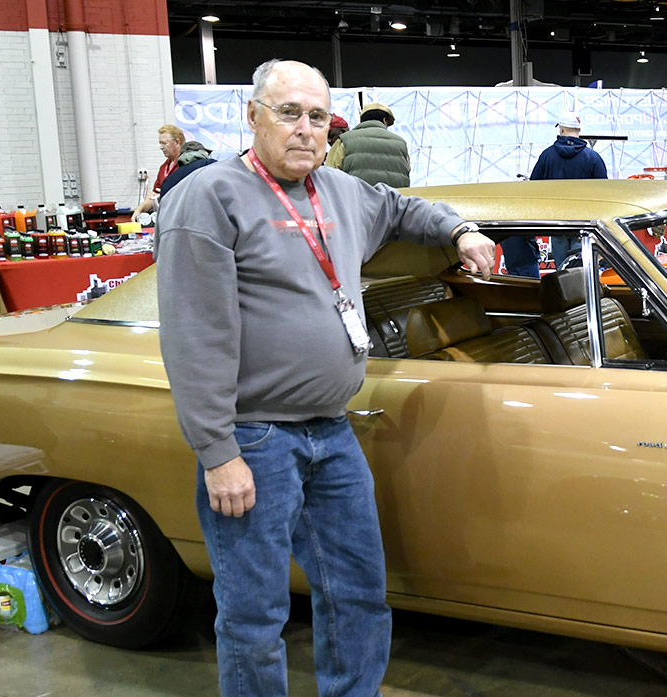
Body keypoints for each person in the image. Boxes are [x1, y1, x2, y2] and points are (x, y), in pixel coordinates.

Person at [155, 58, 497, 697]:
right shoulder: (208, 197)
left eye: (317, 117)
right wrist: (216, 451)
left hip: (332, 434)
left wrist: (460, 227)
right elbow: (192, 335)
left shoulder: (339, 191)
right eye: (288, 113)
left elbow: (398, 208)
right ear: (251, 115)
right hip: (254, 440)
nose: (305, 129)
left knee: (359, 594)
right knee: (255, 615)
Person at [503, 112, 608, 276]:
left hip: (557, 222)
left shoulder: (547, 155)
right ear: (578, 129)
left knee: (562, 272)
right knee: (582, 271)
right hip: (584, 225)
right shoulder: (593, 157)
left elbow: (534, 187)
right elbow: (604, 194)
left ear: (562, 128)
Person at [327, 102, 412, 189]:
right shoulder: (401, 144)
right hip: (393, 201)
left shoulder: (343, 141)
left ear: (362, 120)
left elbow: (329, 177)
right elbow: (406, 173)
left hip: (356, 201)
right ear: (385, 120)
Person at [132, 124, 186, 219]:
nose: (161, 147)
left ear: (177, 142)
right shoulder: (163, 167)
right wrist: (138, 210)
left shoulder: (187, 165)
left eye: (164, 143)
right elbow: (154, 193)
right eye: (160, 143)